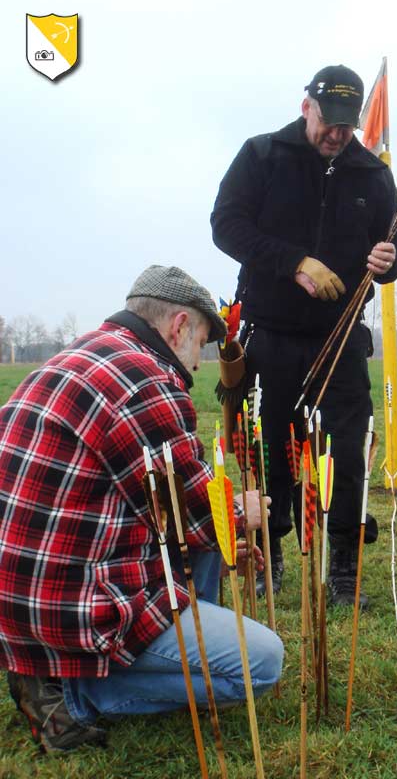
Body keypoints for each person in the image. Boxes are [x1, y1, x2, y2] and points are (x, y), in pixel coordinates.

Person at [0, 265, 283, 752]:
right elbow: (199, 515)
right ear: (178, 327)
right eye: (200, 345)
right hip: (67, 607)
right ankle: (73, 692)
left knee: (210, 537)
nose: (198, 365)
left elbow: (169, 508)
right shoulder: (148, 381)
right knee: (262, 663)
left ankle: (56, 667)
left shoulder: (84, 354)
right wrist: (245, 513)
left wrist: (220, 522)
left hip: (23, 593)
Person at [211, 65, 397, 606]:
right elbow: (225, 225)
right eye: (329, 122)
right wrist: (293, 262)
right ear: (307, 107)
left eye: (347, 126)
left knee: (347, 451)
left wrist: (391, 260)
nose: (337, 135)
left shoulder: (371, 172)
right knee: (269, 449)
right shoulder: (261, 156)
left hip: (342, 338)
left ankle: (343, 566)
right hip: (271, 335)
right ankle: (268, 555)